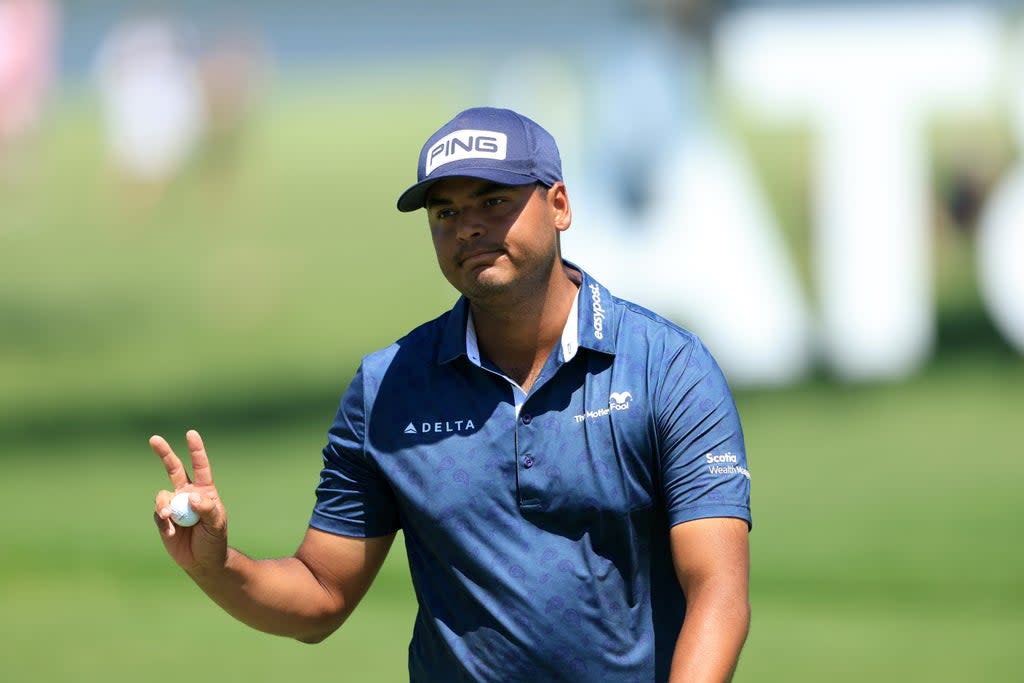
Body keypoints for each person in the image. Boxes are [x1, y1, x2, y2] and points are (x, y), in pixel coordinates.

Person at [150, 106, 752, 682]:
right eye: (445, 213)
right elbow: (322, 592)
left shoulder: (667, 366)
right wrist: (218, 567)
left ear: (560, 205)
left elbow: (718, 594)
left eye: (494, 201)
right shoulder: (389, 386)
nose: (468, 226)